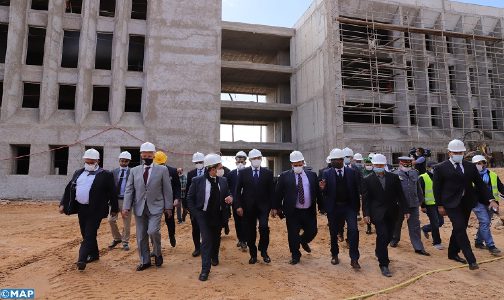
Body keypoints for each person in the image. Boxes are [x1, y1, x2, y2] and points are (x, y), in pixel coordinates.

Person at [433, 139, 498, 270]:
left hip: (466, 202)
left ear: (464, 152)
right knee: (460, 228)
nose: (458, 154)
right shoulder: (440, 168)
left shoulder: (470, 166)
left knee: (459, 228)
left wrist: (491, 199)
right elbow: (437, 188)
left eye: (460, 152)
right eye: (455, 152)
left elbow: (480, 185)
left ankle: (452, 253)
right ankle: (471, 259)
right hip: (451, 203)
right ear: (449, 153)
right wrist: (439, 205)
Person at [59, 148, 118, 271]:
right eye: (87, 161)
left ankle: (82, 259)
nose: (89, 164)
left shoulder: (105, 174)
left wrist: (114, 208)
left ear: (98, 161)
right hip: (82, 208)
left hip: (96, 209)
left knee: (89, 234)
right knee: (85, 233)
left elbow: (112, 192)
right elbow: (69, 188)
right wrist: (62, 204)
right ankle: (95, 254)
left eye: (92, 162)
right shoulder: (78, 172)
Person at [122, 142, 173, 271]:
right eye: (144, 153)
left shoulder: (162, 170)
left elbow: (167, 189)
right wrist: (126, 207)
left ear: (153, 155)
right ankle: (145, 260)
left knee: (153, 231)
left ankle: (157, 252)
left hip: (156, 206)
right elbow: (129, 189)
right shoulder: (134, 171)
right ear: (141, 154)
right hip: (139, 207)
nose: (147, 155)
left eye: (149, 153)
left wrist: (168, 207)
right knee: (141, 235)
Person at [186, 154, 233, 281]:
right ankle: (205, 270)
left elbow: (228, 194)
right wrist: (195, 213)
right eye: (220, 167)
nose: (222, 169)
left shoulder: (223, 181)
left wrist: (230, 198)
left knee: (216, 239)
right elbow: (189, 198)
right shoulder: (197, 180)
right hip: (203, 215)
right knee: (206, 240)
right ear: (212, 168)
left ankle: (215, 256)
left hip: (217, 215)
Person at [362, 154, 408, 277]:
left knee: (388, 236)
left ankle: (378, 250)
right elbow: (366, 199)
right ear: (373, 165)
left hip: (392, 212)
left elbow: (400, 195)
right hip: (377, 213)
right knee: (382, 235)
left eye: (381, 165)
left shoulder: (394, 178)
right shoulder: (368, 179)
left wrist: (406, 210)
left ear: (384, 165)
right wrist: (366, 214)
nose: (378, 167)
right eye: (376, 165)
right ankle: (384, 264)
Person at [273, 151, 321, 265]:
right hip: (292, 211)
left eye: (300, 164)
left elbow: (317, 192)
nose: (298, 167)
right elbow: (278, 193)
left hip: (309, 210)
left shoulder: (312, 175)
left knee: (312, 231)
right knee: (293, 234)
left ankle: (303, 241)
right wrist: (276, 207)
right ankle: (295, 255)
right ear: (291, 164)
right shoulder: (285, 176)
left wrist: (322, 206)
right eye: (295, 165)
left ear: (303, 163)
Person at [320, 148, 362, 269]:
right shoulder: (327, 173)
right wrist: (323, 189)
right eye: (332, 160)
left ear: (342, 160)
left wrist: (357, 210)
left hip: (349, 206)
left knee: (353, 230)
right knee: (333, 232)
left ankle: (354, 259)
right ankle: (334, 254)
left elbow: (356, 190)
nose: (334, 162)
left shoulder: (351, 172)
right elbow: (326, 192)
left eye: (336, 160)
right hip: (334, 207)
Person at [234, 149, 275, 264]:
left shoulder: (268, 173)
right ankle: (253, 254)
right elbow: (237, 191)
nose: (256, 160)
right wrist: (238, 206)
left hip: (263, 207)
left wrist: (273, 207)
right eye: (254, 158)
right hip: (248, 207)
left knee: (264, 228)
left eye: (258, 158)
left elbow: (272, 191)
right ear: (250, 160)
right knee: (250, 232)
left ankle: (264, 251)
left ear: (261, 159)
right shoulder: (243, 173)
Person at [390, 157, 430, 256]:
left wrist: (421, 201)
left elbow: (418, 188)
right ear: (400, 164)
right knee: (397, 223)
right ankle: (395, 239)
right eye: (405, 165)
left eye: (409, 165)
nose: (407, 167)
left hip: (413, 204)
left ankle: (418, 247)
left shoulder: (415, 173)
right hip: (399, 205)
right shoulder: (394, 174)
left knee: (415, 226)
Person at [471, 155, 502, 255]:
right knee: (485, 222)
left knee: (485, 223)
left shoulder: (492, 175)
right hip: (477, 203)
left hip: (491, 203)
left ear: (485, 163)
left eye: (480, 163)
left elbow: (501, 188)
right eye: (476, 163)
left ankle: (479, 242)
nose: (479, 165)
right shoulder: (470, 176)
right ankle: (491, 245)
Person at [153, 151, 181, 248]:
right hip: (156, 201)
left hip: (169, 201)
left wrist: (177, 198)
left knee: (170, 220)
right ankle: (156, 244)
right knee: (154, 222)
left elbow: (177, 186)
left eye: (161, 164)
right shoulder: (152, 171)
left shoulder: (173, 171)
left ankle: (171, 235)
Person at [108, 151, 132, 251]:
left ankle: (125, 242)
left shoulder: (132, 172)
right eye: (122, 161)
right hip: (114, 200)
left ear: (129, 162)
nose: (123, 163)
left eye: (126, 161)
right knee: (111, 220)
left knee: (126, 222)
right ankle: (117, 238)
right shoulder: (113, 172)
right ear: (119, 160)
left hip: (126, 200)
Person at [225, 151, 248, 251]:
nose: (240, 163)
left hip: (247, 202)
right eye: (238, 161)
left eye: (242, 162)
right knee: (238, 222)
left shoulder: (249, 173)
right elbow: (228, 188)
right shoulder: (231, 174)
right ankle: (240, 239)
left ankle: (245, 240)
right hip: (236, 202)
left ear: (245, 163)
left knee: (246, 222)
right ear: (235, 162)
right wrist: (231, 196)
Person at [185, 152, 206, 257]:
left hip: (207, 205)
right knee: (196, 228)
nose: (199, 163)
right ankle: (197, 248)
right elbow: (188, 191)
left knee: (207, 228)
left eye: (200, 162)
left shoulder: (209, 171)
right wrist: (187, 206)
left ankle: (206, 247)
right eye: (197, 162)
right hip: (195, 207)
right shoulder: (191, 174)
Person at [420, 161, 445, 250]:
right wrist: (422, 205)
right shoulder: (423, 177)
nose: (435, 169)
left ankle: (425, 229)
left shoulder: (439, 177)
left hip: (438, 204)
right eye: (433, 167)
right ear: (428, 168)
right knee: (435, 223)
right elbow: (421, 192)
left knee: (440, 222)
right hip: (429, 205)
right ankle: (437, 242)